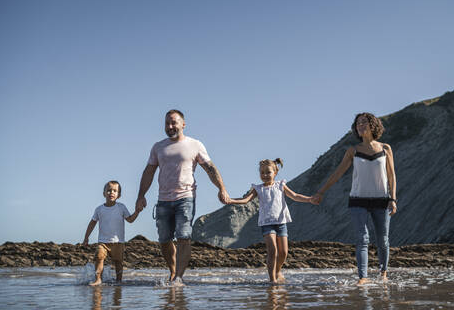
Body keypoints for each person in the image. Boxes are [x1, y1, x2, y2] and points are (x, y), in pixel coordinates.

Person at [135, 109, 229, 285]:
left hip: (185, 198)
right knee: (164, 239)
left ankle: (178, 277)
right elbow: (148, 172)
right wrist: (141, 195)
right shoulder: (158, 147)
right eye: (167, 124)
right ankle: (173, 271)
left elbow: (210, 168)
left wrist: (221, 188)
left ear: (183, 124)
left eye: (174, 123)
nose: (170, 126)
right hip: (163, 200)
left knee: (183, 236)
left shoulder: (195, 144)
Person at [312, 113, 397, 285]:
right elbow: (337, 173)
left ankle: (383, 273)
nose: (360, 126)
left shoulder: (385, 149)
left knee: (383, 240)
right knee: (362, 239)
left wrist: (393, 199)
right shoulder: (353, 151)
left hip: (381, 200)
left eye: (364, 122)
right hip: (358, 200)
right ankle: (363, 277)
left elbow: (392, 176)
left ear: (373, 125)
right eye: (358, 124)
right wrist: (321, 191)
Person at [226, 158, 314, 284]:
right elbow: (245, 200)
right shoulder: (258, 189)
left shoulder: (281, 185)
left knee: (283, 252)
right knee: (272, 250)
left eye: (268, 172)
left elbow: (294, 196)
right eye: (262, 173)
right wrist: (231, 200)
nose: (265, 175)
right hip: (267, 223)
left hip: (281, 222)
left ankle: (277, 270)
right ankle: (272, 280)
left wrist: (309, 199)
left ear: (275, 172)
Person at [83, 180, 140, 286]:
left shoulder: (121, 207)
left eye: (115, 191)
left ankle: (119, 280)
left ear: (119, 195)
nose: (111, 193)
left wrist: (137, 211)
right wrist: (86, 237)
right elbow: (92, 223)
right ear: (104, 193)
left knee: (118, 262)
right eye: (109, 190)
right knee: (99, 257)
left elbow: (130, 219)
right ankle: (98, 279)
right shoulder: (99, 209)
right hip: (103, 241)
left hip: (118, 242)